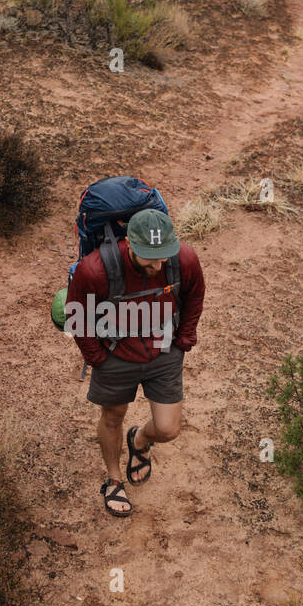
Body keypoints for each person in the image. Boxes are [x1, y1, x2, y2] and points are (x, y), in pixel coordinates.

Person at [66, 207, 205, 516]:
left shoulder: (184, 259)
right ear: (129, 244)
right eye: (148, 257)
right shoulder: (94, 270)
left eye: (163, 255)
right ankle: (114, 479)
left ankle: (139, 440)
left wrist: (184, 339)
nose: (157, 264)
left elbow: (194, 298)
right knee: (112, 417)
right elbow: (77, 317)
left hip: (163, 350)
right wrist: (97, 358)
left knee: (168, 429)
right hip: (115, 355)